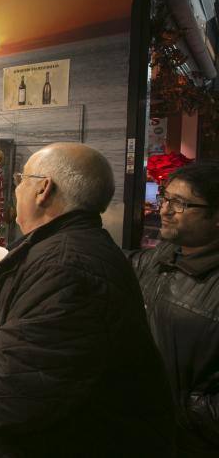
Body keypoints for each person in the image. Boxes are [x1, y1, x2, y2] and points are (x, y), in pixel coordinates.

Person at [0, 142, 175, 457]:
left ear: (43, 189)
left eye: (21, 179)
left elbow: (8, 392)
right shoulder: (71, 245)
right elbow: (50, 323)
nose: (17, 189)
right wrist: (0, 289)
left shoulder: (68, 266)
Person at [128, 161, 219, 457]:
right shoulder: (163, 256)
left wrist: (177, 408)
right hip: (142, 430)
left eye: (179, 204)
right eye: (165, 198)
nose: (164, 210)